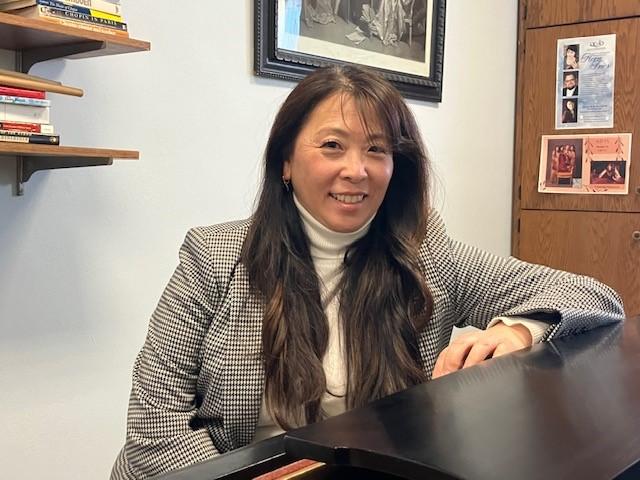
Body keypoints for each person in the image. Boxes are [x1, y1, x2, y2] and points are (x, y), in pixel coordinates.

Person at [110, 65, 624, 479]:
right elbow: (155, 432)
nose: (356, 170)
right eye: (332, 146)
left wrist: (517, 329)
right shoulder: (216, 257)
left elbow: (593, 296)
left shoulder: (424, 250)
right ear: (285, 162)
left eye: (376, 149)